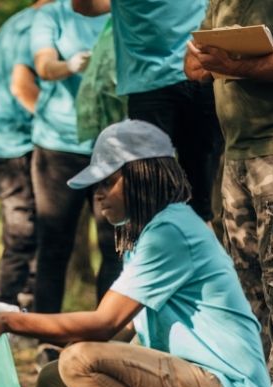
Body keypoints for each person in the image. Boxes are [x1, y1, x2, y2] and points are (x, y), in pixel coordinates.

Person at [0, 120, 271, 387]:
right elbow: (121, 330)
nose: (98, 197)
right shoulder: (148, 235)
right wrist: (26, 321)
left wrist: (10, 322)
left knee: (79, 361)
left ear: (141, 176)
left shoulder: (171, 231)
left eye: (107, 182)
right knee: (55, 381)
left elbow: (104, 323)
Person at [185, 1, 273, 387]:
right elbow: (193, 66)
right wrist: (208, 59)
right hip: (235, 153)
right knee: (244, 270)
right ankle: (256, 376)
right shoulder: (219, 2)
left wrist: (236, 64)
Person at [72, 0, 223, 223]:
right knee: (196, 197)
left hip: (155, 86)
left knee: (149, 196)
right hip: (195, 78)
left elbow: (85, 6)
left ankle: (166, 249)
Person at [28, 0, 119, 315]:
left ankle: (109, 336)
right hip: (59, 145)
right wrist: (71, 65)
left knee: (114, 246)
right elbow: (43, 65)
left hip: (112, 147)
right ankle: (45, 339)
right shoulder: (52, 14)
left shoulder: (122, 8)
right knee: (54, 244)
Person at [0, 0, 51, 309]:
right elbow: (21, 88)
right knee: (23, 232)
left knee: (27, 228)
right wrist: (55, 126)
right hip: (13, 144)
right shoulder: (37, 27)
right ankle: (5, 306)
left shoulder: (15, 22)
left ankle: (20, 305)